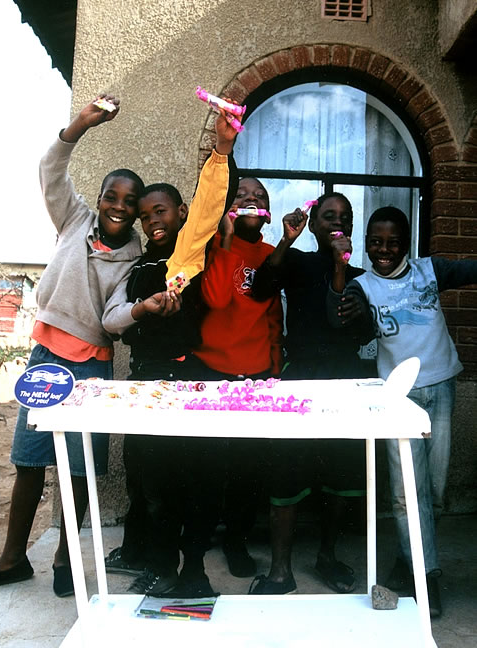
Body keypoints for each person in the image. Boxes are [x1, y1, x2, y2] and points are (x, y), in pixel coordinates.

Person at [0, 94, 145, 600]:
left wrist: (139, 311)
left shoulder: (134, 258)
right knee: (29, 461)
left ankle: (66, 561)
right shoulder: (74, 220)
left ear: (136, 211)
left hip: (92, 367)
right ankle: (12, 560)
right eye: (110, 197)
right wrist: (82, 124)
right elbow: (51, 168)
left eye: (128, 202)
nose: (117, 206)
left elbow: (114, 317)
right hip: (45, 358)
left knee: (79, 467)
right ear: (99, 198)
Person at [102, 108, 239, 598]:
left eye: (160, 211)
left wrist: (221, 151)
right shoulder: (140, 269)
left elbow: (209, 206)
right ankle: (161, 565)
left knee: (198, 482)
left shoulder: (191, 256)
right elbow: (115, 321)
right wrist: (145, 309)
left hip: (190, 384)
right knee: (153, 486)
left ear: (180, 215)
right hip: (145, 388)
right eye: (145, 215)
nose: (152, 220)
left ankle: (195, 567)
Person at [327, 206, 477, 617]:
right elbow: (345, 319)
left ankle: (406, 561)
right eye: (376, 242)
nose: (384, 250)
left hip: (442, 387)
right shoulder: (363, 286)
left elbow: (470, 269)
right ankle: (427, 578)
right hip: (399, 399)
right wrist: (347, 295)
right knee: (403, 494)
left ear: (406, 242)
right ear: (368, 244)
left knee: (434, 493)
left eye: (393, 242)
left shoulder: (430, 271)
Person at [248, 192, 374, 595]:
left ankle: (327, 556)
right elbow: (261, 287)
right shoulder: (298, 263)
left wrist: (356, 303)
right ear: (315, 224)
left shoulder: (358, 278)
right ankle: (280, 572)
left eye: (345, 217)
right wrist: (285, 240)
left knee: (340, 477)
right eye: (329, 216)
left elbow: (361, 332)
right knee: (286, 474)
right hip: (299, 380)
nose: (338, 223)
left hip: (344, 385)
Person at [189, 177, 284, 578]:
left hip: (256, 375)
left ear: (266, 213)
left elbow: (273, 319)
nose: (250, 200)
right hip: (211, 370)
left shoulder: (271, 253)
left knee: (249, 468)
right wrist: (225, 242)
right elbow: (216, 299)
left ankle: (236, 541)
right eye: (241, 196)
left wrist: (275, 373)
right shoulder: (213, 247)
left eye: (258, 197)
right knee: (209, 465)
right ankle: (200, 536)